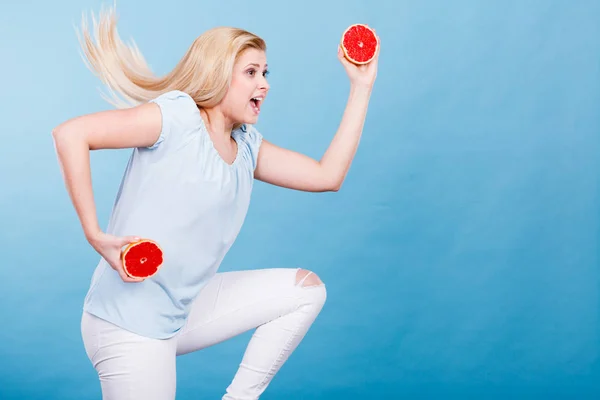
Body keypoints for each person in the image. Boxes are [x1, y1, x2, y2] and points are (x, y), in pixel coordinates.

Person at [52, 5, 380, 400]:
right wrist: (94, 233)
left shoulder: (246, 147)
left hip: (180, 311)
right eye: (251, 72)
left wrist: (362, 86)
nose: (265, 84)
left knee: (304, 290)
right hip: (128, 324)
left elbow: (329, 176)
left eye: (265, 72)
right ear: (218, 74)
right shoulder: (176, 119)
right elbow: (71, 134)